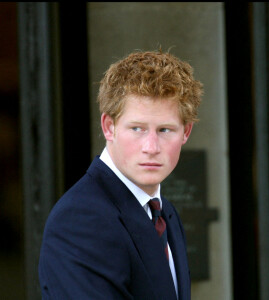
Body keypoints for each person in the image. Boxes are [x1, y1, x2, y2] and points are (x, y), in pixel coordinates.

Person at [38, 50, 203, 300]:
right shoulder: (80, 219)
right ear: (109, 127)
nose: (151, 146)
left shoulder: (164, 211)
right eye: (137, 128)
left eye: (165, 130)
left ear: (185, 132)